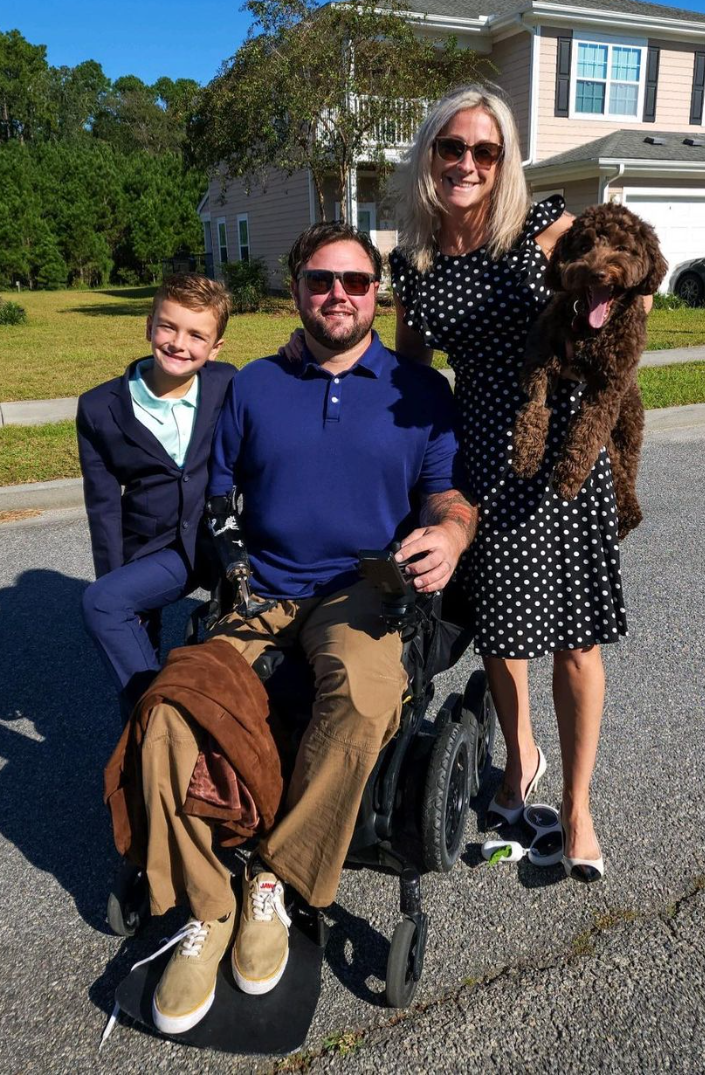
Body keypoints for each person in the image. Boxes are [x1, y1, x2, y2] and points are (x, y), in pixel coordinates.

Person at [123, 222, 477, 1035]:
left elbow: (446, 495)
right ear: (296, 289)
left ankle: (277, 881)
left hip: (361, 588)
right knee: (170, 701)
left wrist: (451, 534)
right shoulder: (252, 385)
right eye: (322, 280)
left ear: (376, 292)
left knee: (362, 689)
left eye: (356, 282)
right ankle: (207, 905)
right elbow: (217, 495)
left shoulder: (420, 392)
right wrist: (229, 561)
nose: (339, 295)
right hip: (264, 586)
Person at [390, 84, 648, 882]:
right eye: (452, 148)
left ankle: (576, 807)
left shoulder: (543, 229)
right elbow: (406, 376)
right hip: (482, 463)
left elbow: (626, 281)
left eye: (485, 150)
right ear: (429, 155)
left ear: (504, 163)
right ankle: (520, 756)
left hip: (563, 458)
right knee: (503, 633)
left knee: (575, 639)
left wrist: (606, 385)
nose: (466, 163)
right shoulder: (415, 263)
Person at [77, 274, 236, 717]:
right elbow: (104, 506)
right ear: (148, 326)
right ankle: (156, 725)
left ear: (216, 347)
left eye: (196, 335)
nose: (179, 343)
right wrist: (114, 581)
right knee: (106, 605)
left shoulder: (225, 384)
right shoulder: (98, 408)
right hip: (155, 548)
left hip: (218, 537)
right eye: (168, 327)